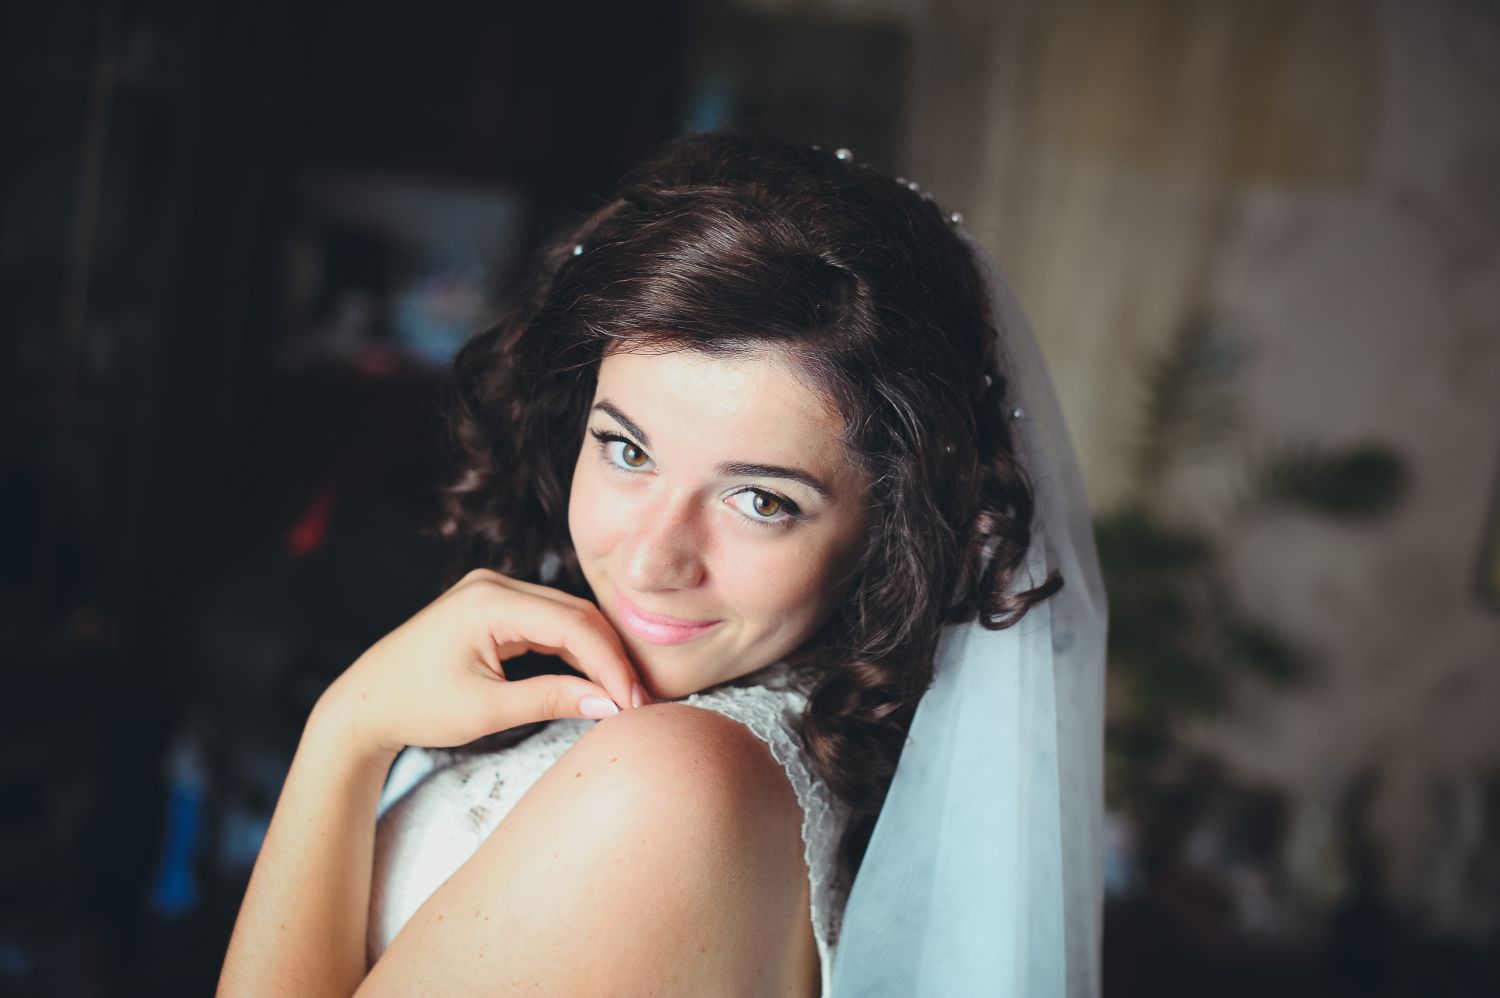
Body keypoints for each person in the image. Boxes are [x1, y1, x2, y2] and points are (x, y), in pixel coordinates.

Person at [217, 129, 1106, 997]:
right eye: (628, 450)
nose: (651, 559)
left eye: (761, 501)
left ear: (890, 531)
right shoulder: (796, 741)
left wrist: (346, 731)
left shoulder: (670, 787)